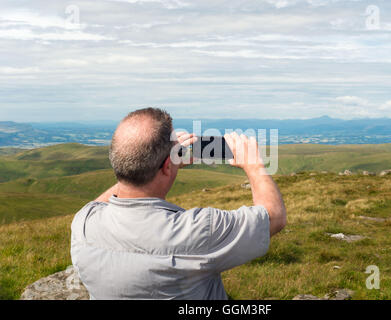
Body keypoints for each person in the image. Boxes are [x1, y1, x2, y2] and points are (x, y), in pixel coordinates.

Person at [70, 107, 286, 300]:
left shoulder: (84, 225)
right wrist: (254, 165)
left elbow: (103, 200)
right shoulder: (199, 231)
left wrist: (163, 164)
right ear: (165, 165)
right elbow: (273, 217)